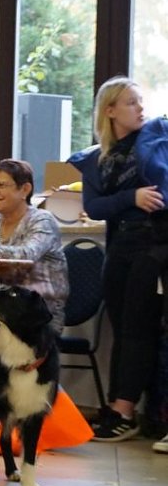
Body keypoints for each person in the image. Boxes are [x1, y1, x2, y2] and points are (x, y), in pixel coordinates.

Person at [68, 76, 164, 443]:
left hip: (151, 248)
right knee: (120, 331)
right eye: (130, 102)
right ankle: (116, 407)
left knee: (139, 330)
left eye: (141, 101)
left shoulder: (156, 145)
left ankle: (126, 410)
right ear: (109, 111)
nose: (141, 108)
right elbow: (94, 206)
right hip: (119, 248)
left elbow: (161, 196)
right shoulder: (98, 159)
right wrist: (131, 198)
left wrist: (137, 199)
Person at [0, 158, 69, 333]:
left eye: (2, 185)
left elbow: (28, 254)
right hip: (3, 306)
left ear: (25, 189)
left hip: (39, 310)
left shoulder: (42, 219)